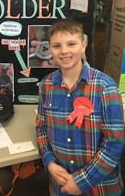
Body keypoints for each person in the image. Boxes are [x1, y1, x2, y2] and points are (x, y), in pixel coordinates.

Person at [36, 18, 125, 195]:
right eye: (57, 46)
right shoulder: (46, 86)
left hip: (100, 187)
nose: (64, 51)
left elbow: (114, 143)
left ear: (83, 45)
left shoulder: (105, 87)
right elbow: (41, 128)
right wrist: (49, 162)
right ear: (49, 49)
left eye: (71, 44)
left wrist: (82, 182)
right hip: (60, 184)